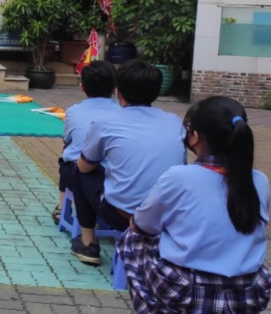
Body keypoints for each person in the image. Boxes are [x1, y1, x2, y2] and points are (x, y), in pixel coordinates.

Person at [116, 96, 271, 314]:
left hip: (187, 296)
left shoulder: (179, 177)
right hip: (248, 296)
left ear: (195, 137)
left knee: (132, 240)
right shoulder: (260, 180)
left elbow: (142, 226)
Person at [71, 60, 186, 266]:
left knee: (79, 171)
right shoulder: (175, 122)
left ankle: (88, 242)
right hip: (168, 216)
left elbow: (85, 166)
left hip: (124, 216)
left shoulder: (105, 122)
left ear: (118, 92)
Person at [53, 60, 118, 223]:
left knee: (66, 159)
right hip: (114, 175)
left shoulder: (73, 111)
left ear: (82, 86)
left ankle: (62, 208)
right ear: (115, 88)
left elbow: (67, 140)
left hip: (79, 173)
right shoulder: (121, 112)